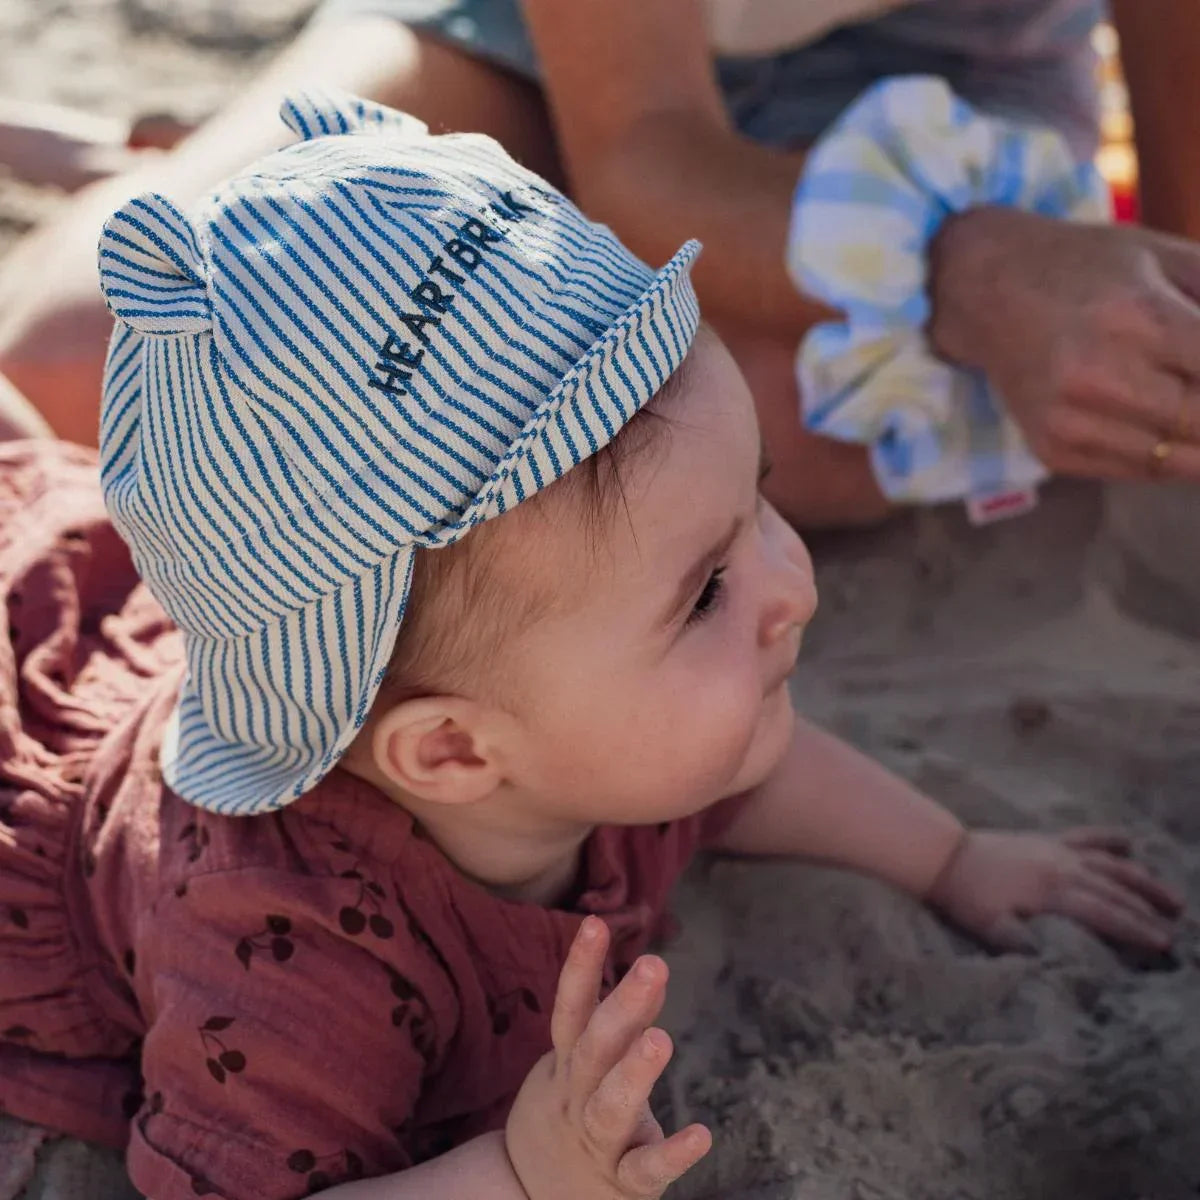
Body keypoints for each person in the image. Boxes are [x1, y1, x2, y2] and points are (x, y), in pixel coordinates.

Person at [0, 92, 1182, 1200]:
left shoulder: (599, 719)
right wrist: (515, 1175)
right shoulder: (282, 962)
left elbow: (757, 776)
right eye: (708, 590)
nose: (793, 589)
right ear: (454, 751)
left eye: (758, 500)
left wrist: (953, 857)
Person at [4, 1, 1200, 526]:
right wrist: (974, 270)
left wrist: (1138, 308)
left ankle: (363, 200)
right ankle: (275, 175)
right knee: (90, 361)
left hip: (947, 67)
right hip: (545, 47)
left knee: (709, 433)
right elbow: (643, 150)